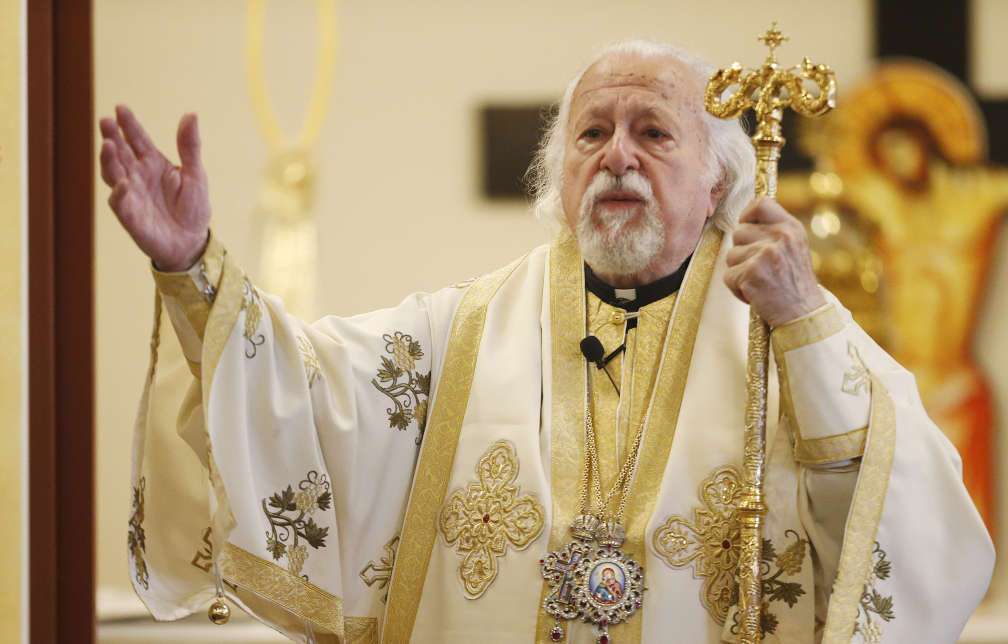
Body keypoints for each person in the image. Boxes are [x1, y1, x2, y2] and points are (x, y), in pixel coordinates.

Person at [100, 40, 993, 644]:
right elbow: (303, 390)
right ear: (558, 176)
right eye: (592, 135)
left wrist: (804, 323)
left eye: (653, 133)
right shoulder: (464, 332)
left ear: (718, 176)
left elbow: (912, 517)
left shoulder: (784, 330)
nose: (616, 157)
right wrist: (194, 271)